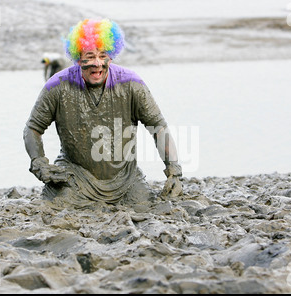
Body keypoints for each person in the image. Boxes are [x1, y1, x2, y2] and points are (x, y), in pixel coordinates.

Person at [24, 19, 183, 207]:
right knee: (57, 203)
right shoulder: (57, 86)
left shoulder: (132, 84)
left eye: (103, 56)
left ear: (111, 56)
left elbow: (158, 127)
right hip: (75, 177)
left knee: (146, 206)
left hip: (126, 179)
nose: (97, 64)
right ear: (78, 57)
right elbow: (33, 128)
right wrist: (39, 163)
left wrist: (173, 170)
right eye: (89, 57)